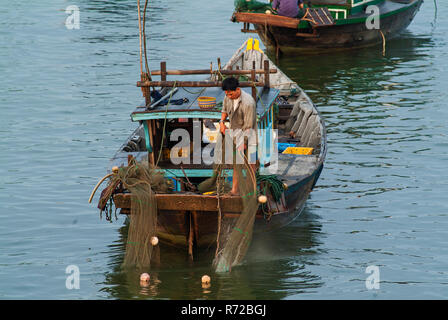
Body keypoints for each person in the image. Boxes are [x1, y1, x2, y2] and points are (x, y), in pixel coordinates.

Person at [219, 77, 257, 195]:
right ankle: (234, 190)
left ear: (238, 90)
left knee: (251, 164)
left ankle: (251, 190)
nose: (229, 96)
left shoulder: (248, 103)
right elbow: (224, 109)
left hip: (249, 135)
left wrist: (244, 143)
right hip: (235, 134)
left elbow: (249, 126)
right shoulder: (227, 96)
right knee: (237, 164)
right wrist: (222, 122)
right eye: (227, 94)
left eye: (231, 94)